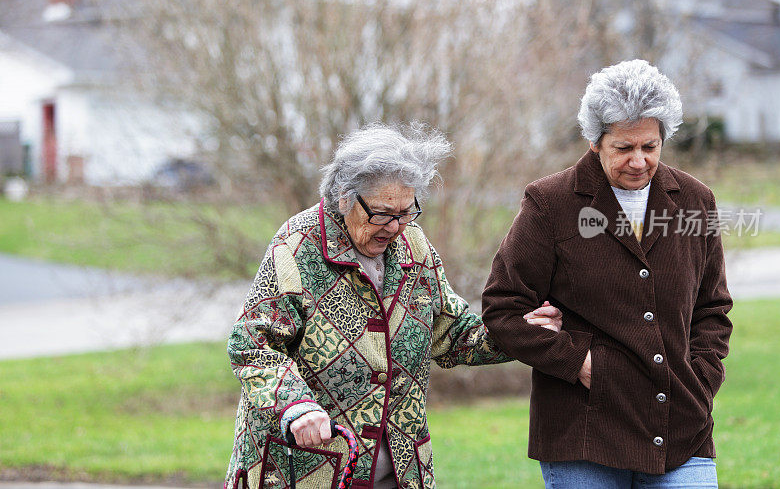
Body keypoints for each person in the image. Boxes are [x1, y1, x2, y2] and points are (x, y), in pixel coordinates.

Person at [224, 124, 561, 489]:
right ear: (343, 197)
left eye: (406, 212)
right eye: (382, 214)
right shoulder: (295, 247)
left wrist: (522, 332)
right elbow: (252, 345)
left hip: (400, 472)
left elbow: (453, 335)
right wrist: (296, 405)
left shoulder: (413, 247)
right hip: (306, 471)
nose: (395, 227)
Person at [482, 59, 733, 488]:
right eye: (624, 148)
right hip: (583, 432)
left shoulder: (695, 199)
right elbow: (503, 308)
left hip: (681, 426)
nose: (639, 161)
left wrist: (700, 379)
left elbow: (712, 309)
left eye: (650, 147)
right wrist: (578, 362)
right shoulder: (550, 203)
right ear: (596, 142)